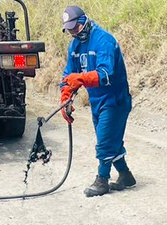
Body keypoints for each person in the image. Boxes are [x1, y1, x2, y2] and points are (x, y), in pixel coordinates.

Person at [59, 5, 136, 198]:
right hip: (97, 101)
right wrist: (65, 98)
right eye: (69, 30)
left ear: (84, 21)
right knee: (111, 140)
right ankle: (126, 175)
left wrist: (81, 79)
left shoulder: (104, 41)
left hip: (115, 100)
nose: (74, 33)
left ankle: (102, 180)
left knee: (104, 141)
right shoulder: (75, 46)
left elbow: (106, 74)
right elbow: (69, 75)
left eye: (75, 27)